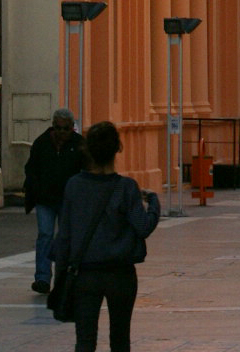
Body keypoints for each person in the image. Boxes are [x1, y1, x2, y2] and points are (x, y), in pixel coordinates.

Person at [52, 120, 160, 352]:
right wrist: (153, 203)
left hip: (85, 274)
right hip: (120, 273)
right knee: (120, 339)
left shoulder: (74, 186)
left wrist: (60, 275)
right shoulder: (126, 187)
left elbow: (64, 237)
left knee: (85, 340)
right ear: (117, 149)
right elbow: (143, 227)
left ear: (87, 149)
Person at [24, 107, 87, 293]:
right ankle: (42, 278)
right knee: (45, 235)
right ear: (53, 127)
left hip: (69, 200)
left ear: (71, 128)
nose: (61, 133)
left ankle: (65, 277)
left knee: (66, 238)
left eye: (65, 129)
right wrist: (34, 191)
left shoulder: (79, 144)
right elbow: (31, 169)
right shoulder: (41, 143)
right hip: (46, 199)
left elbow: (86, 170)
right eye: (58, 128)